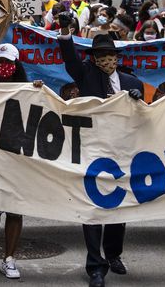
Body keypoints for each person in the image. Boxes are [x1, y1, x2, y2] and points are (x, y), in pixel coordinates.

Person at [59, 31, 144, 287]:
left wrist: (139, 104)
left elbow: (143, 119)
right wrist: (65, 35)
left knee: (119, 207)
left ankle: (114, 254)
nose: (105, 59)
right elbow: (71, 61)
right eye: (100, 55)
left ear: (117, 58)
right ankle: (96, 266)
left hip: (122, 153)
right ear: (93, 59)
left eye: (109, 55)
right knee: (93, 209)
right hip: (92, 151)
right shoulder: (85, 76)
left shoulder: (132, 83)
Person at [0, 44, 32, 278]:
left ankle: (9, 258)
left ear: (17, 65)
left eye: (8, 63)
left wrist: (37, 92)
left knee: (14, 210)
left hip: (17, 157)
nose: (4, 67)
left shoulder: (27, 89)